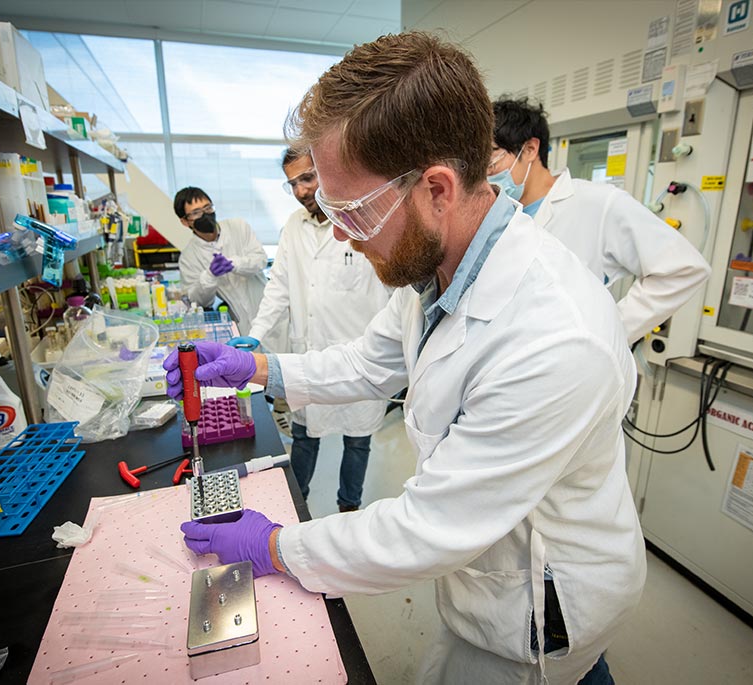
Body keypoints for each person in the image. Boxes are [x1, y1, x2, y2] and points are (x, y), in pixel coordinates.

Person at [164, 32, 644, 684]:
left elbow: (428, 526)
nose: (336, 232)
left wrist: (275, 545)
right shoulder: (437, 271)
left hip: (537, 611)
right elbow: (367, 363)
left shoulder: (551, 339)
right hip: (483, 570)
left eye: (351, 211)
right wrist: (259, 369)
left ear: (437, 189)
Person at [229, 149, 393, 513]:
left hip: (359, 357)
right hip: (310, 352)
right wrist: (257, 332)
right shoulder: (293, 226)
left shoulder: (362, 220)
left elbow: (392, 289)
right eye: (293, 184)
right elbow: (279, 286)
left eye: (308, 178)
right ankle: (294, 505)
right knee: (304, 436)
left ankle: (349, 508)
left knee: (357, 441)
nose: (302, 190)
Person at [488, 96, 711, 344]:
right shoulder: (503, 213)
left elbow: (683, 269)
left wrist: (609, 331)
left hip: (571, 359)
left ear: (529, 149)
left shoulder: (597, 203)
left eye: (492, 157)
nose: (486, 171)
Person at [174, 187, 268, 336]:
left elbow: (261, 260)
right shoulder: (188, 257)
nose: (205, 214)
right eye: (196, 213)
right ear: (185, 221)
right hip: (239, 322)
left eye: (208, 207)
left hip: (268, 311)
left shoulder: (238, 227)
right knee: (252, 358)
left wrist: (235, 264)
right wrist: (209, 276)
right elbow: (197, 302)